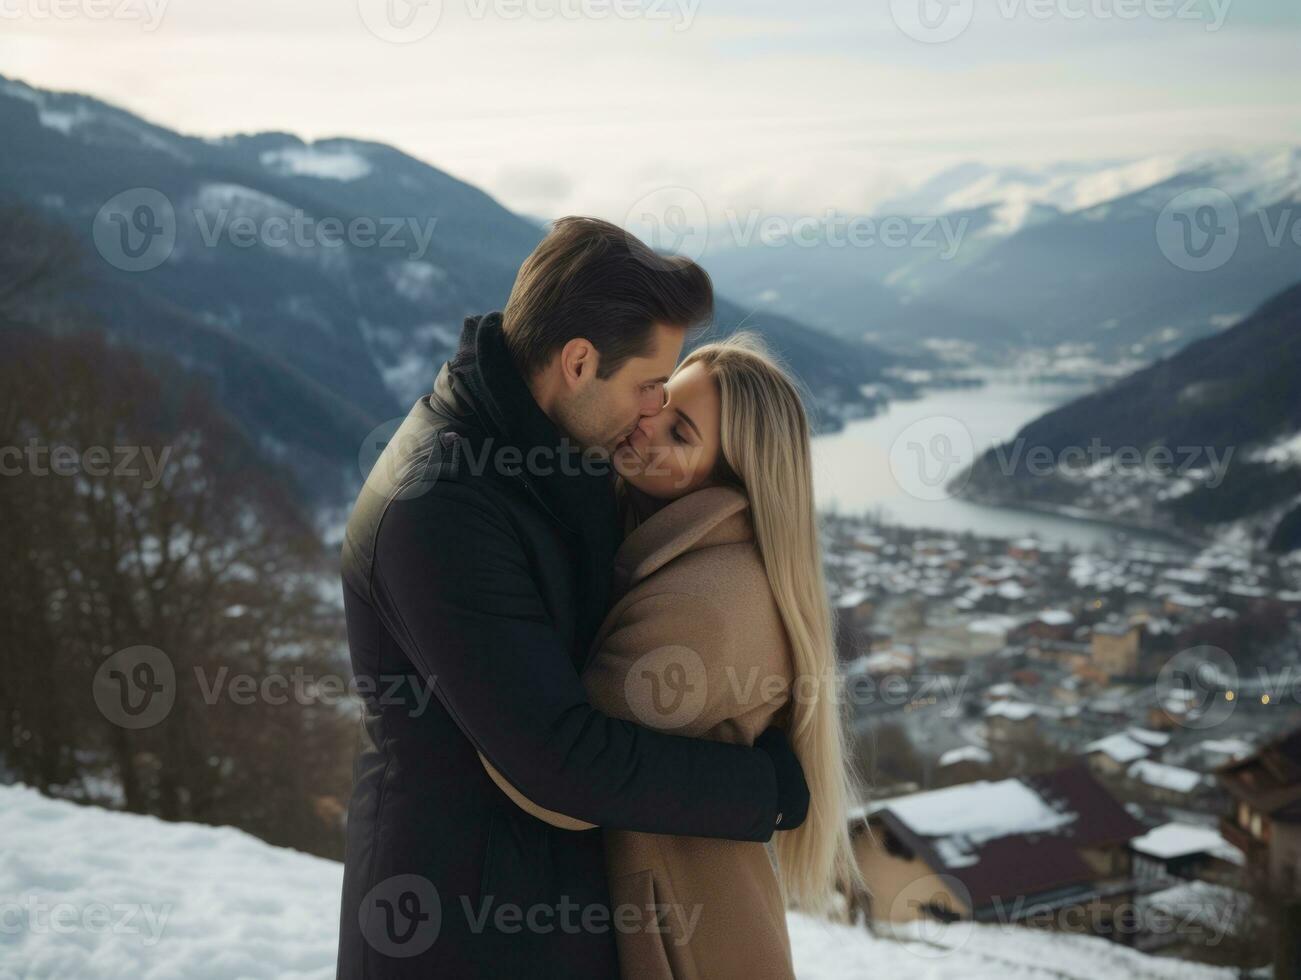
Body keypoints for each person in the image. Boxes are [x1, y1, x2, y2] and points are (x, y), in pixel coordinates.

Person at [336, 217, 811, 979]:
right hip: (452, 929)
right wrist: (763, 789)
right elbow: (556, 759)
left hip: (542, 914)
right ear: (579, 361)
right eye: (647, 385)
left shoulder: (545, 451)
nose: (651, 407)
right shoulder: (441, 505)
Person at [481, 332, 863, 979]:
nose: (647, 423)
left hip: (675, 938)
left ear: (727, 477)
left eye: (680, 434)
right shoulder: (679, 548)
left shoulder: (697, 605)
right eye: (659, 399)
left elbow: (555, 778)